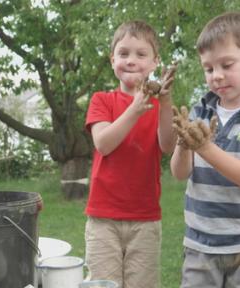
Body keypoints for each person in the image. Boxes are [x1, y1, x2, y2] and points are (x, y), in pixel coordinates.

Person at [170, 12, 240, 288]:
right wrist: (184, 146)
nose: (217, 76)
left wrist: (203, 147)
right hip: (199, 242)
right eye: (208, 69)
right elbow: (179, 173)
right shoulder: (198, 111)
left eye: (226, 64)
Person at [84, 20, 176, 288]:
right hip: (103, 219)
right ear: (113, 59)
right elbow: (103, 143)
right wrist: (136, 108)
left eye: (141, 54)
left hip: (145, 219)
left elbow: (168, 146)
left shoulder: (161, 105)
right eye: (123, 54)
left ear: (154, 62)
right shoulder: (101, 100)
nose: (131, 60)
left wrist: (166, 101)